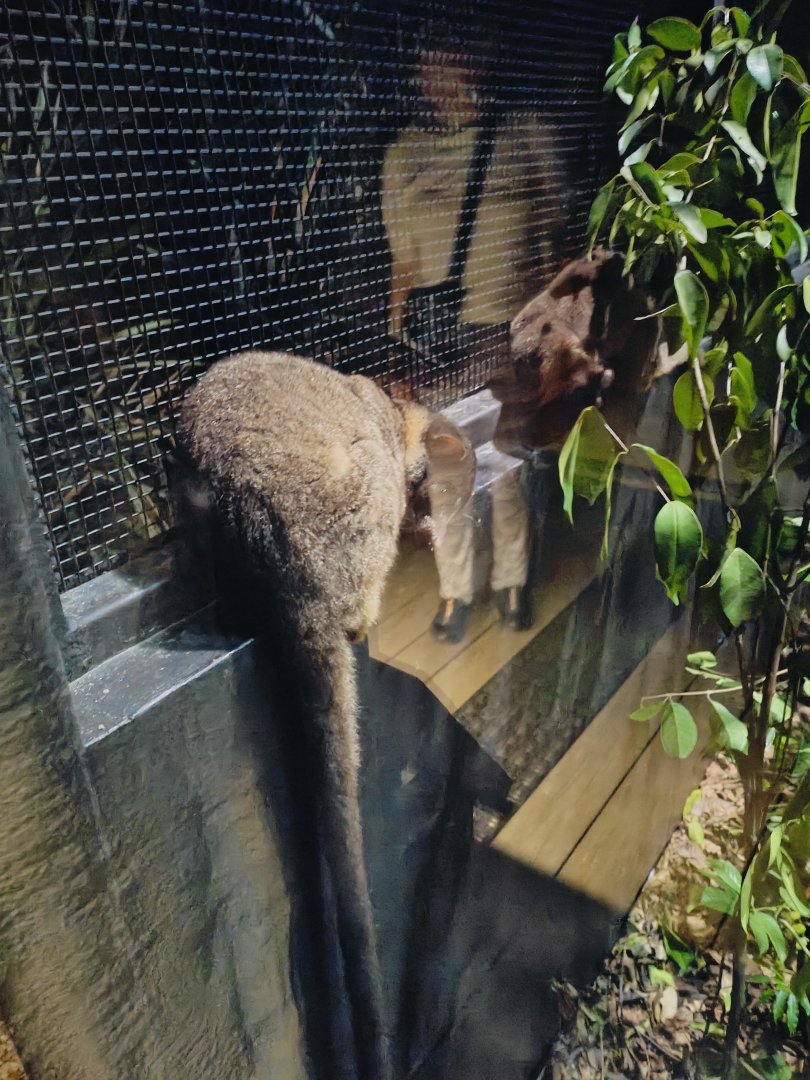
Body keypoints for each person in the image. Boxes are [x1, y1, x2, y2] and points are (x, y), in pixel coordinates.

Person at [381, 33, 567, 642]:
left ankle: (512, 579)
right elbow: (402, 268)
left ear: (478, 57)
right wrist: (395, 347)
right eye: (424, 58)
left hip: (508, 340)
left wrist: (556, 344)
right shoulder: (406, 153)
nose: (435, 71)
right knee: (447, 475)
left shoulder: (524, 132)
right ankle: (456, 590)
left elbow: (557, 246)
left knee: (506, 470)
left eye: (448, 52)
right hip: (441, 344)